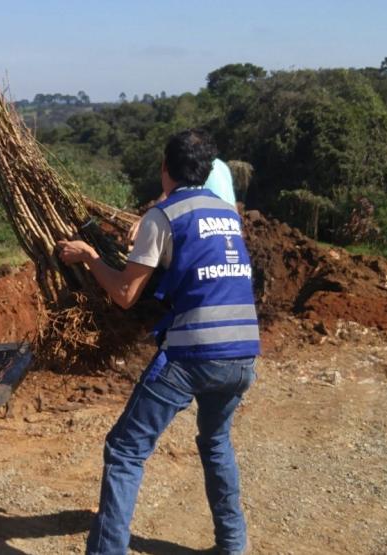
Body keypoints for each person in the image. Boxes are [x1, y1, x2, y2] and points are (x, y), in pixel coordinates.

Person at [57, 129, 259, 555]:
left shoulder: (163, 216)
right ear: (206, 171)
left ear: (165, 167)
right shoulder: (227, 213)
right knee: (216, 441)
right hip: (243, 352)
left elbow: (127, 295)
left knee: (125, 449)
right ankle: (233, 546)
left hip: (194, 353)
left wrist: (91, 257)